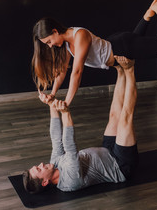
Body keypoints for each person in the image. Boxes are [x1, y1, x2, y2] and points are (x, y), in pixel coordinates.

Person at [32, 0, 157, 107]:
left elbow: (77, 72)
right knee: (135, 40)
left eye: (49, 41)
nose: (50, 46)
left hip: (122, 47)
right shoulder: (65, 44)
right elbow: (62, 71)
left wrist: (67, 102)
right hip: (118, 44)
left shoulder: (79, 35)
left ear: (55, 31)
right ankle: (147, 15)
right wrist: (52, 94)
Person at [23, 56, 139, 193]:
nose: (41, 164)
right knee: (125, 119)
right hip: (120, 165)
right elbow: (70, 147)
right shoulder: (70, 180)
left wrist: (51, 104)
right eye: (39, 169)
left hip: (107, 151)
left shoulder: (53, 164)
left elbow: (56, 138)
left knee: (114, 115)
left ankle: (120, 71)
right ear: (45, 182)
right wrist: (65, 113)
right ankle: (130, 69)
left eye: (37, 166)